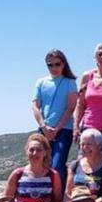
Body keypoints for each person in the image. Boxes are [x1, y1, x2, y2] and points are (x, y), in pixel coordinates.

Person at [32, 49, 79, 183]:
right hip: (44, 129)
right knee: (40, 164)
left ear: (63, 64)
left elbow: (71, 108)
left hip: (64, 129)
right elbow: (35, 106)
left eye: (57, 64)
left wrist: (57, 128)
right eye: (50, 64)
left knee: (57, 165)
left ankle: (59, 197)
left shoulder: (70, 82)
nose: (54, 67)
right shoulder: (41, 82)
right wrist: (44, 126)